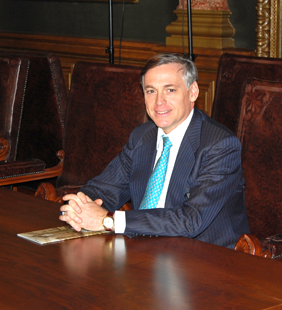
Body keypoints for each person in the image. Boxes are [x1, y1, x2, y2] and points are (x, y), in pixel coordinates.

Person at [60, 53, 250, 249]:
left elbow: (190, 221)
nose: (159, 101)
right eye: (151, 91)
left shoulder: (220, 145)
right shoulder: (142, 137)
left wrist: (109, 221)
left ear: (192, 91)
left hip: (206, 260)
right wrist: (79, 208)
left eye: (170, 90)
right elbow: (103, 189)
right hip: (143, 250)